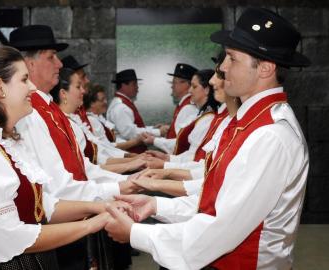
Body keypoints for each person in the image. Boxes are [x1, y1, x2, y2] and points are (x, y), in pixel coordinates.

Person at [105, 7, 310, 269]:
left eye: (232, 59)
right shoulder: (250, 124)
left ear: (266, 68)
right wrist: (155, 205)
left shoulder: (269, 135)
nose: (222, 68)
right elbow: (215, 201)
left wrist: (137, 234)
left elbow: (220, 228)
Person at [0, 44, 120, 270]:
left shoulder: (2, 143)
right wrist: (92, 224)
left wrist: (100, 207)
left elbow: (41, 206)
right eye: (24, 79)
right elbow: (10, 237)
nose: (33, 87)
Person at [9, 25, 140, 270]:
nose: (59, 64)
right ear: (29, 64)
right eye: (51, 57)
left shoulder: (47, 108)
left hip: (72, 213)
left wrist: (124, 182)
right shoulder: (30, 112)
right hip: (58, 223)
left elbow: (81, 167)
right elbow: (56, 187)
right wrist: (119, 187)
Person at [134, 52, 242, 197]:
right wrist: (166, 163)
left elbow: (209, 172)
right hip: (192, 185)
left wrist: (166, 165)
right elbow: (204, 167)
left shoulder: (211, 117)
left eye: (221, 74)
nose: (212, 81)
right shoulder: (218, 117)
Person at [56, 68, 147, 174]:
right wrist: (130, 161)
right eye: (78, 86)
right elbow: (86, 169)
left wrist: (131, 160)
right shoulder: (66, 124)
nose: (83, 91)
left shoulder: (76, 121)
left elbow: (101, 153)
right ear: (63, 94)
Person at [143, 69, 219, 168]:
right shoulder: (203, 115)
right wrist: (167, 158)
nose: (190, 90)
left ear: (207, 90)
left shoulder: (208, 118)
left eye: (194, 86)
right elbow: (191, 153)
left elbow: (195, 157)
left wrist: (166, 162)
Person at [106, 69, 169, 153]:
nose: (137, 87)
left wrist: (152, 128)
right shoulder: (120, 107)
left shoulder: (123, 103)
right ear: (123, 85)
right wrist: (158, 132)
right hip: (129, 153)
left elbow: (132, 128)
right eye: (134, 84)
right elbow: (130, 133)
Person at [149, 63, 199, 154]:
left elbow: (180, 142)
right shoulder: (185, 105)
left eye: (174, 82)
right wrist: (170, 128)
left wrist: (154, 140)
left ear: (186, 84)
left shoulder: (188, 108)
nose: (172, 86)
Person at [84, 83, 145, 151]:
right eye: (102, 100)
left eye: (105, 99)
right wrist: (135, 142)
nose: (106, 102)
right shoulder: (92, 121)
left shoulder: (99, 118)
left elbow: (113, 140)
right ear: (91, 103)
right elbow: (107, 148)